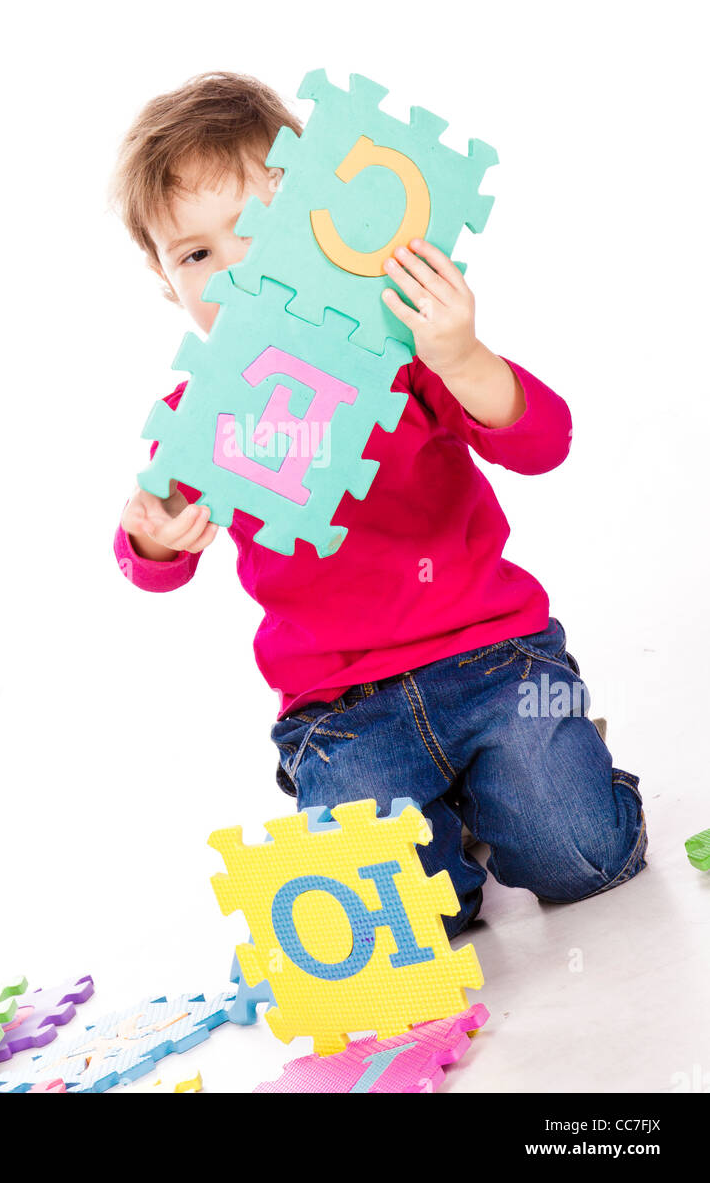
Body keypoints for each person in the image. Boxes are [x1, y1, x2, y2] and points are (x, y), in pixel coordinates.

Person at [110, 70, 647, 936]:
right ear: (167, 281)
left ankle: (547, 771)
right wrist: (155, 537)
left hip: (495, 661)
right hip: (341, 710)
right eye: (196, 254)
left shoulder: (404, 350)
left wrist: (462, 354)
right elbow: (153, 552)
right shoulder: (204, 411)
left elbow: (543, 443)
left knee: (579, 857)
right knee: (392, 932)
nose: (234, 265)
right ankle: (464, 827)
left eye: (255, 228)